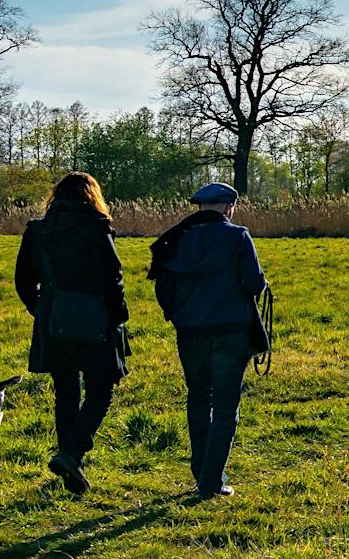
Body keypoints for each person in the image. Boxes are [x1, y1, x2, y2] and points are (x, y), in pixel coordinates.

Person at [148, 182, 269, 497]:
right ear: (229, 207)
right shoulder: (238, 236)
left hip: (190, 332)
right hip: (232, 331)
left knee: (199, 398)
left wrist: (178, 317)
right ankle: (211, 480)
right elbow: (254, 284)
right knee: (226, 405)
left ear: (200, 207)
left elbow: (164, 289)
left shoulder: (176, 239)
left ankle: (201, 471)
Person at [14, 171, 129, 496]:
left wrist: (41, 309)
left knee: (65, 392)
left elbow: (23, 280)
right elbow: (113, 276)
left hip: (54, 320)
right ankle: (72, 454)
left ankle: (70, 461)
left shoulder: (37, 231)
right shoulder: (97, 227)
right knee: (100, 391)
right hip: (95, 319)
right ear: (92, 196)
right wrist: (118, 314)